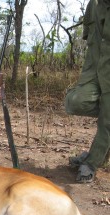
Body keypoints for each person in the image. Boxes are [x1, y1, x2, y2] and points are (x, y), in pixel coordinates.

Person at [65, 0, 110, 183]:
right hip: (93, 71)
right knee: (74, 102)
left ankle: (91, 162)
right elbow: (89, 40)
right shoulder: (94, 4)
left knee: (107, 120)